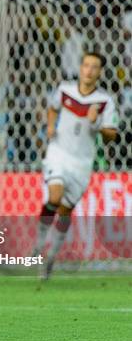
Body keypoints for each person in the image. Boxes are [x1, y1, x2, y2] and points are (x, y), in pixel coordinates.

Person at [33, 52, 118, 279]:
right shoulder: (64, 90)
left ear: (100, 72)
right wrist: (51, 126)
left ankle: (51, 257)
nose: (89, 70)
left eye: (94, 67)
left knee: (65, 211)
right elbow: (52, 107)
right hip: (58, 152)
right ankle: (39, 245)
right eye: (86, 65)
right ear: (80, 68)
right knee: (54, 196)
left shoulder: (104, 102)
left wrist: (97, 123)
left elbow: (111, 135)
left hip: (82, 163)